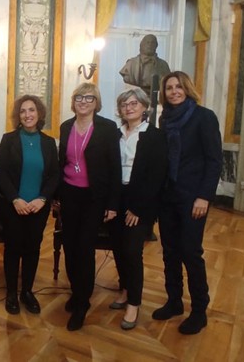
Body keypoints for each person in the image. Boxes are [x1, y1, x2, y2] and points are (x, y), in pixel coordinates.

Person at [152, 71, 222, 335]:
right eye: (169, 88)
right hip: (168, 196)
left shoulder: (204, 117)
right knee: (170, 251)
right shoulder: (164, 119)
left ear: (187, 89)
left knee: (191, 252)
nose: (174, 92)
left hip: (194, 197)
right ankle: (174, 301)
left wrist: (204, 196)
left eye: (178, 87)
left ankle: (199, 310)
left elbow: (214, 160)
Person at [58, 82, 121, 331]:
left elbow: (115, 168)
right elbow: (62, 162)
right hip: (69, 194)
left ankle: (83, 303)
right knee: (69, 247)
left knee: (84, 249)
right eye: (78, 97)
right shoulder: (65, 127)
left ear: (96, 102)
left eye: (89, 97)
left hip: (94, 198)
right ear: (73, 102)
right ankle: (76, 291)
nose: (83, 101)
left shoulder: (107, 128)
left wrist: (113, 204)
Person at [108, 88, 168, 330]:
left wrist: (137, 208)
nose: (129, 107)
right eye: (125, 104)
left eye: (134, 103)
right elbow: (110, 169)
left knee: (133, 251)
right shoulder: (115, 135)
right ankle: (124, 288)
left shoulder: (155, 136)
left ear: (145, 107)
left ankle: (134, 303)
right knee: (119, 249)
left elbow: (156, 176)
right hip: (117, 197)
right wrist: (111, 204)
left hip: (141, 199)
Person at [0, 95, 59, 315]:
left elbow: (54, 176)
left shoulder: (49, 143)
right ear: (18, 116)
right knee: (13, 249)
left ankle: (27, 292)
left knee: (33, 249)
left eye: (31, 110)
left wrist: (42, 199)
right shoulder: (8, 139)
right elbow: (1, 172)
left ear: (39, 114)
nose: (27, 115)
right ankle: (12, 293)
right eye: (23, 111)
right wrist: (15, 198)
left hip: (37, 207)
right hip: (14, 205)